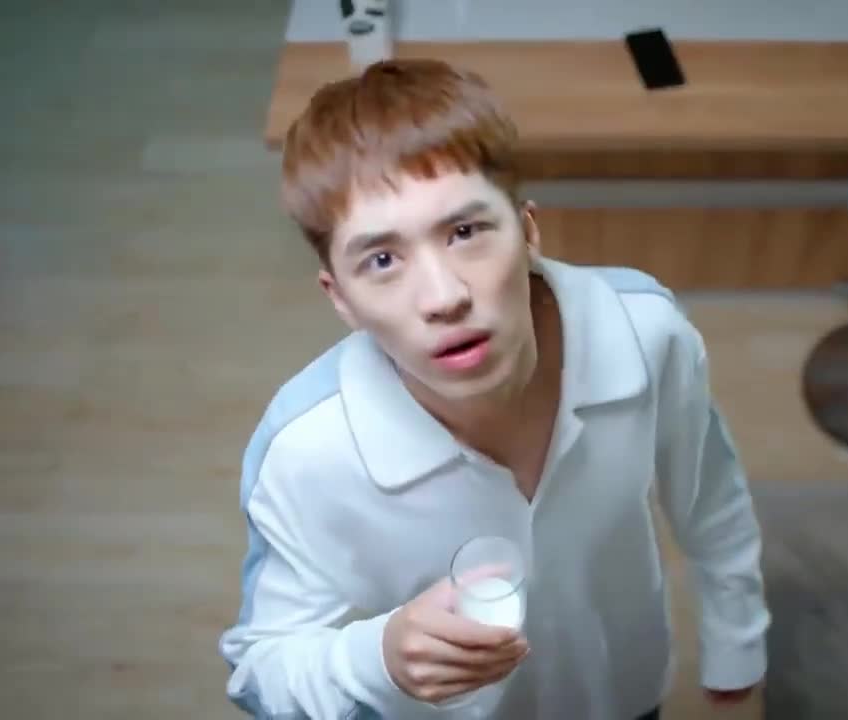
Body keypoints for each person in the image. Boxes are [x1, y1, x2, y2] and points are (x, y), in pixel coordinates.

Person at [218, 58, 771, 720]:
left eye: (465, 232)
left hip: (623, 692)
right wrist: (378, 659)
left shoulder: (646, 334)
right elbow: (260, 669)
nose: (444, 297)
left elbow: (711, 494)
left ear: (528, 231)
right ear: (340, 298)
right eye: (383, 260)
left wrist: (737, 638)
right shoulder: (304, 451)